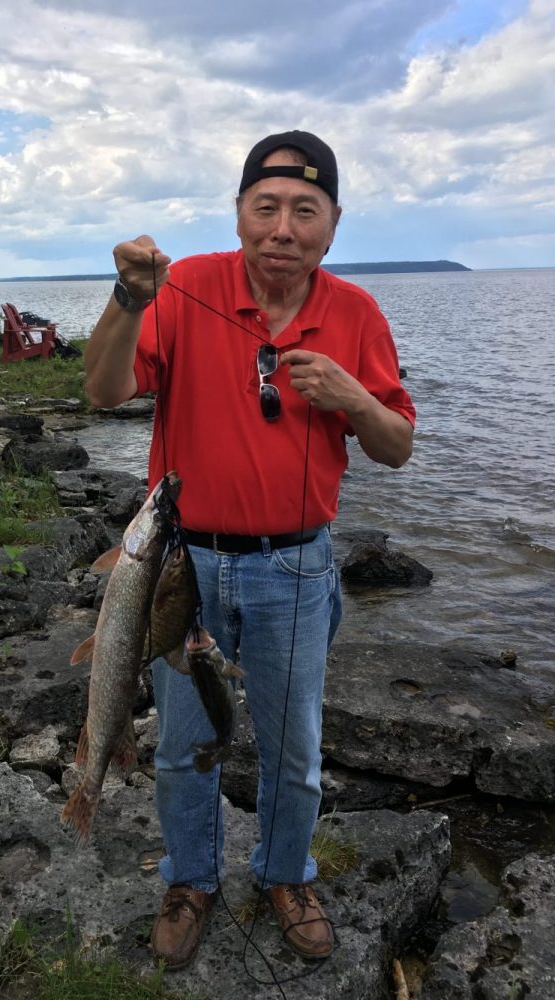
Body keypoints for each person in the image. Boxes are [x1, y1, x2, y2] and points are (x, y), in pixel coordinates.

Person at [84, 130, 416, 969]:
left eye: (305, 211)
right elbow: (103, 389)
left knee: (294, 748)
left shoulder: (356, 314)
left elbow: (398, 445)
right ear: (238, 213)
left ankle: (285, 872)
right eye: (265, 206)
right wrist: (127, 298)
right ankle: (191, 877)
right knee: (183, 740)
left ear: (333, 226)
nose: (282, 227)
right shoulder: (185, 284)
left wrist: (350, 397)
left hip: (296, 566)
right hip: (177, 569)